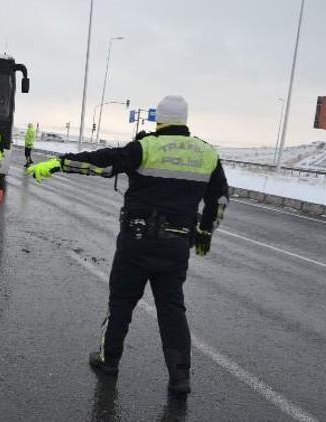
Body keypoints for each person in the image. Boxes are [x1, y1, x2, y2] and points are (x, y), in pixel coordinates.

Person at [26, 95, 229, 396]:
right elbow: (220, 199)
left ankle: (110, 360)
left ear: (159, 120)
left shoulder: (145, 147)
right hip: (176, 244)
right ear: (185, 120)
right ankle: (180, 377)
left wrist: (59, 163)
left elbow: (103, 165)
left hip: (137, 240)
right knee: (172, 309)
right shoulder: (207, 153)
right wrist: (204, 232)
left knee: (121, 302)